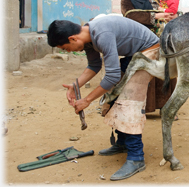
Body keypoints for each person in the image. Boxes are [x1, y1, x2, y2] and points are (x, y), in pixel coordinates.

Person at [47, 16, 160, 181]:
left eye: (66, 48)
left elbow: (112, 76)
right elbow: (94, 65)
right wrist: (75, 86)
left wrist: (87, 100)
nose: (68, 52)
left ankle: (136, 158)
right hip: (134, 54)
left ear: (72, 38)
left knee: (129, 99)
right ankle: (122, 143)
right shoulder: (87, 38)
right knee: (114, 95)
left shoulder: (102, 34)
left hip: (150, 50)